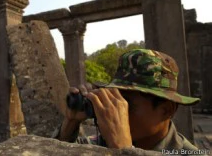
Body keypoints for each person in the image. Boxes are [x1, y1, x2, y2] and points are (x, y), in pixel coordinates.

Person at [52, 49, 201, 152]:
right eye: (114, 100)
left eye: (126, 105)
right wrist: (71, 122)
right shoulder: (100, 142)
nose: (116, 111)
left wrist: (123, 149)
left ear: (166, 110)